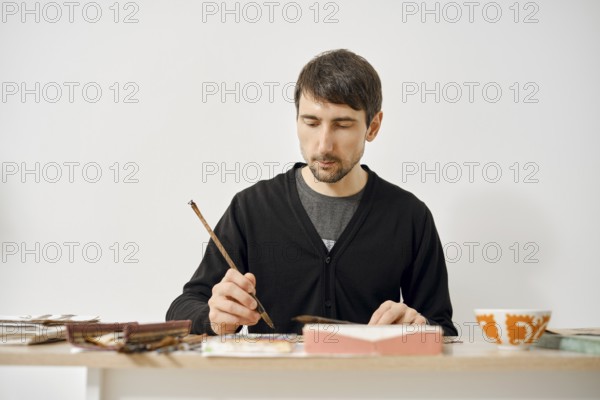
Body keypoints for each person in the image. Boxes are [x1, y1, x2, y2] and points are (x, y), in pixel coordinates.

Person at [166, 49, 457, 336]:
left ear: (374, 126)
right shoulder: (252, 208)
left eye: (342, 125)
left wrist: (419, 327)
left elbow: (442, 326)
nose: (323, 145)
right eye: (311, 122)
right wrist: (215, 318)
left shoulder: (409, 216)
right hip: (273, 384)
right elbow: (182, 308)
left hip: (370, 383)